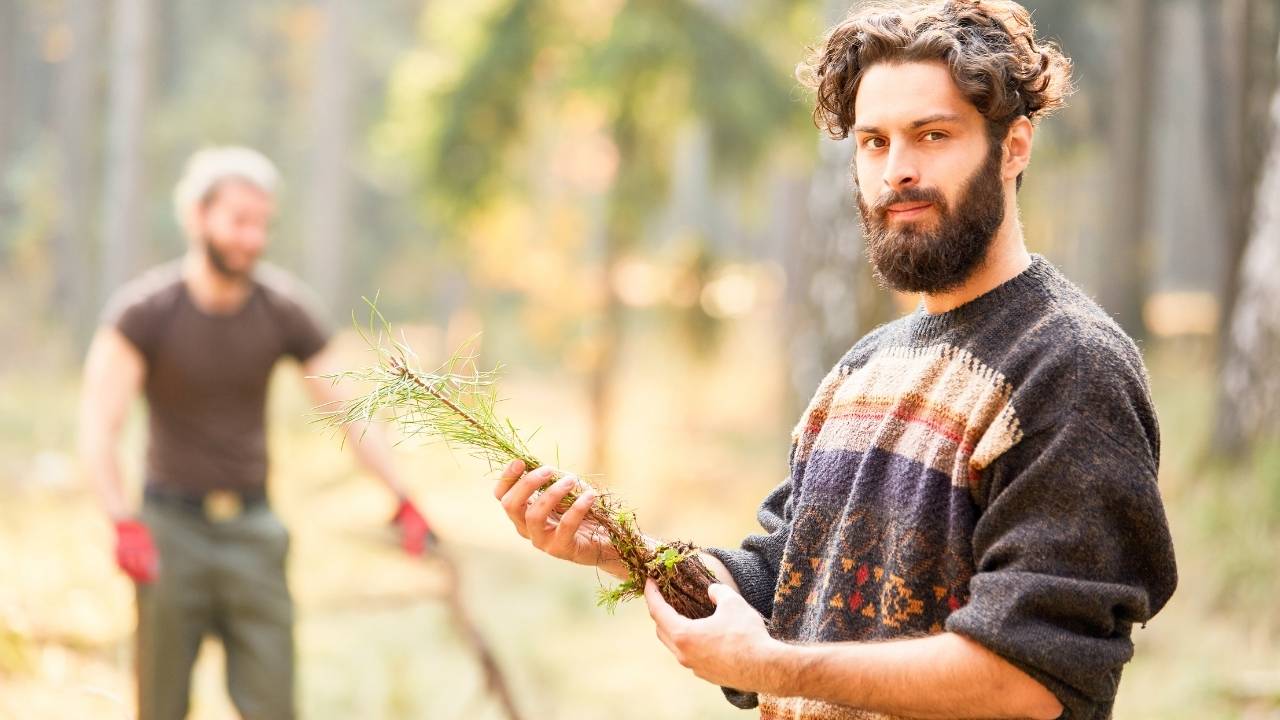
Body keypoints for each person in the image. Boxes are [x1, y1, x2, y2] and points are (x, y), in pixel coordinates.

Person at [492, 1, 1178, 718]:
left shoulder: (1068, 365)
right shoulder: (862, 371)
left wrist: (775, 666)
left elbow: (1034, 678)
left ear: (1014, 148)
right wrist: (623, 549)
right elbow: (779, 583)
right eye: (874, 143)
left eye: (932, 135)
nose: (897, 172)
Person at [78, 146, 437, 720]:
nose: (252, 238)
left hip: (255, 534)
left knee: (275, 709)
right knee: (160, 708)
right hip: (168, 536)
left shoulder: (284, 309)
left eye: (262, 224)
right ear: (197, 216)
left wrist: (403, 498)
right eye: (238, 220)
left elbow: (349, 411)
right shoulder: (144, 313)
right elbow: (99, 425)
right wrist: (122, 521)